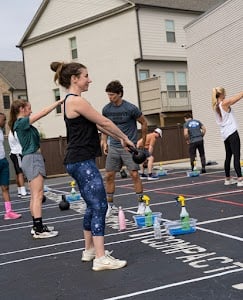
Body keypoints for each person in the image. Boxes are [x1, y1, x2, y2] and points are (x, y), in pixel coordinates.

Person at [50, 61, 134, 271]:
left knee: (92, 205)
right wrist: (125, 137)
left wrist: (120, 139)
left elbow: (97, 124)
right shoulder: (76, 101)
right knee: (100, 206)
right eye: (86, 76)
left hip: (77, 160)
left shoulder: (74, 102)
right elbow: (104, 122)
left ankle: (89, 250)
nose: (90, 79)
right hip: (81, 161)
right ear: (75, 79)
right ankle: (100, 257)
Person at [9, 100, 59, 239]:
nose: (31, 111)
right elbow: (43, 113)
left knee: (34, 195)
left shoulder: (21, 124)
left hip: (31, 158)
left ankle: (36, 226)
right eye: (29, 109)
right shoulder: (21, 122)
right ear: (21, 109)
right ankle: (39, 229)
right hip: (32, 158)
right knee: (38, 195)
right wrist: (59, 102)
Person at [101, 80, 148, 217]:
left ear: (120, 94)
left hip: (129, 147)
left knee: (134, 174)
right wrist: (104, 141)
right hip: (114, 147)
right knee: (109, 175)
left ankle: (141, 204)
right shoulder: (106, 109)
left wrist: (142, 143)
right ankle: (110, 205)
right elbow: (104, 126)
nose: (110, 98)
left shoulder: (130, 108)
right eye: (108, 95)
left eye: (112, 95)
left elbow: (144, 123)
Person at [212, 87, 243, 186]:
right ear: (221, 94)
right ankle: (240, 179)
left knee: (228, 156)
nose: (225, 95)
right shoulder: (223, 103)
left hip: (225, 134)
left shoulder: (216, 105)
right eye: (224, 93)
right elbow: (236, 98)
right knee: (237, 155)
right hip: (232, 132)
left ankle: (228, 179)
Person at [0, 113, 22, 220]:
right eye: (3, 120)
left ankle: (8, 212)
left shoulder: (1, 131)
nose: (4, 122)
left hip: (3, 161)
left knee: (5, 187)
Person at [8, 130, 29, 198]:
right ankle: (23, 192)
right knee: (20, 172)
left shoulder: (10, 132)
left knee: (17, 172)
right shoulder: (15, 132)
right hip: (17, 153)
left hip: (14, 153)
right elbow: (21, 141)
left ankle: (20, 191)